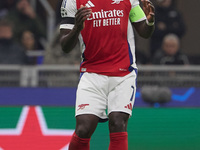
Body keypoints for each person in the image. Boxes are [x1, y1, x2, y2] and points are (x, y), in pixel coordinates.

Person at [60, 0, 155, 149]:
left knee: (118, 122)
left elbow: (144, 32)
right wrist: (77, 28)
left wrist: (149, 23)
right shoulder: (72, 2)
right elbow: (65, 46)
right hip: (91, 73)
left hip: (123, 73)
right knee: (83, 129)